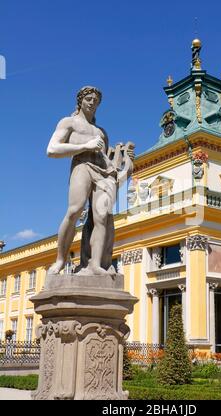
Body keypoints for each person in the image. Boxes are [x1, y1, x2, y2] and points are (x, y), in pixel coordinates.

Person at [47, 86, 134, 276]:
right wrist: (85, 145)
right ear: (80, 101)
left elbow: (107, 159)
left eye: (96, 100)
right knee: (74, 210)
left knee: (101, 217)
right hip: (82, 165)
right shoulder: (69, 122)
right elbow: (52, 149)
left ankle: (95, 264)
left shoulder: (101, 131)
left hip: (103, 172)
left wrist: (125, 165)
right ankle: (60, 259)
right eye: (89, 98)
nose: (92, 102)